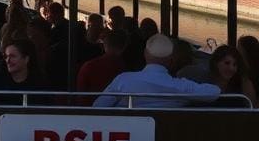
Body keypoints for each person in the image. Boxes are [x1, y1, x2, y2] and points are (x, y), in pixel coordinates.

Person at [93, 33, 221, 108]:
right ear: (171, 60)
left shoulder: (123, 80)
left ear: (145, 54)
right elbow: (214, 92)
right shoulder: (181, 86)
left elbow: (98, 107)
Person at [0, 37, 45, 103]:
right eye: (6, 57)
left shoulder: (39, 83)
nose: (8, 60)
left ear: (26, 59)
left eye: (12, 56)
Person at [75, 29, 127, 99]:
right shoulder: (129, 67)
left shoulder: (89, 66)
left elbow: (81, 95)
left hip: (92, 107)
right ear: (124, 46)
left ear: (104, 44)